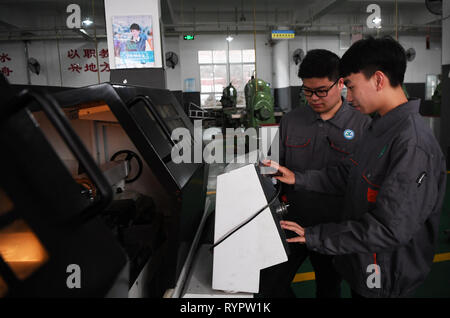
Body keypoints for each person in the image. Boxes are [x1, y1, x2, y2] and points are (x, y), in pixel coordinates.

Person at [265, 36, 447, 298]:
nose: (348, 98)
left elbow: (389, 228)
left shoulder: (411, 144)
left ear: (378, 80)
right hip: (362, 262)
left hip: (384, 275)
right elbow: (349, 174)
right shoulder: (380, 129)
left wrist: (316, 237)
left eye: (350, 86)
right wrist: (299, 179)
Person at [257, 49, 371, 298]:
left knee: (328, 288)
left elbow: (355, 179)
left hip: (334, 228)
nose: (314, 98)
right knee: (268, 285)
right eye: (307, 91)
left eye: (321, 90)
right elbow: (272, 167)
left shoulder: (362, 124)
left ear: (340, 83)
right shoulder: (291, 120)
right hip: (291, 221)